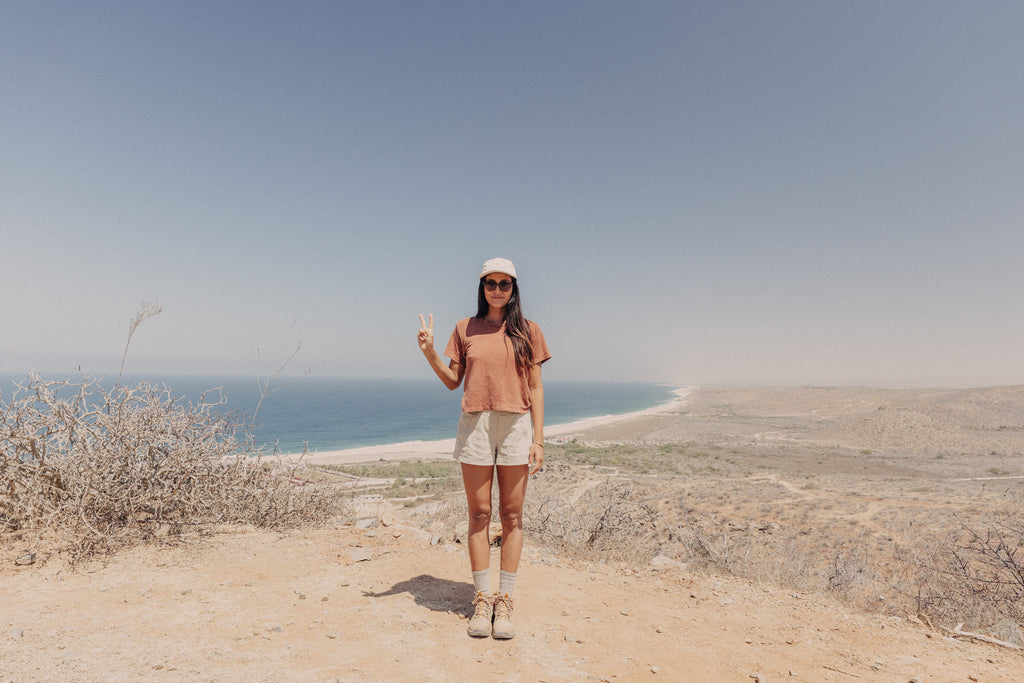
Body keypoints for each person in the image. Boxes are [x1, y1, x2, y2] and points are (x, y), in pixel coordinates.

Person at [417, 257, 551, 639]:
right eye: (490, 283)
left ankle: (504, 601)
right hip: (475, 424)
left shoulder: (530, 330)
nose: (497, 290)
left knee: (512, 515)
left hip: (515, 425)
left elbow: (537, 387)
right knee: (478, 514)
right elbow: (451, 381)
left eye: (504, 284)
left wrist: (538, 438)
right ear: (482, 288)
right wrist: (429, 352)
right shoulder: (465, 328)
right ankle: (482, 597)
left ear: (514, 288)